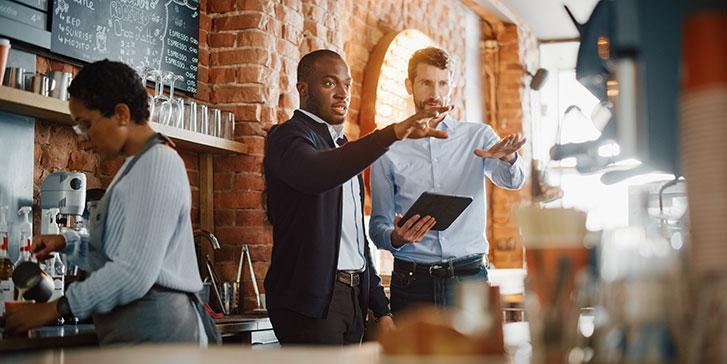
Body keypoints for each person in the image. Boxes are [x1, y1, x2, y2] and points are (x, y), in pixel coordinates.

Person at [5, 60, 220, 345]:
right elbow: (117, 249)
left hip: (157, 334)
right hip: (138, 333)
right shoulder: (135, 167)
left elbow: (133, 273)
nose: (85, 137)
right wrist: (66, 243)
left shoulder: (158, 164)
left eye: (87, 124)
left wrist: (52, 309)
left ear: (120, 114)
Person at [264, 49, 452, 345]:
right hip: (309, 305)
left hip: (352, 301)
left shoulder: (342, 147)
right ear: (303, 89)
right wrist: (391, 134)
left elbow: (355, 240)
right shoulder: (287, 137)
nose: (342, 94)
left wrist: (381, 307)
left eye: (346, 85)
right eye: (329, 83)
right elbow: (316, 173)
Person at [369, 47, 527, 313]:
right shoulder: (389, 146)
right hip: (412, 282)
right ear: (410, 85)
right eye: (426, 83)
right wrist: (396, 237)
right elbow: (378, 227)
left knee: (474, 357)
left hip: (469, 279)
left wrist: (508, 158)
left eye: (443, 83)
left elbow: (513, 181)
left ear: (451, 85)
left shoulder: (478, 136)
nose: (435, 93)